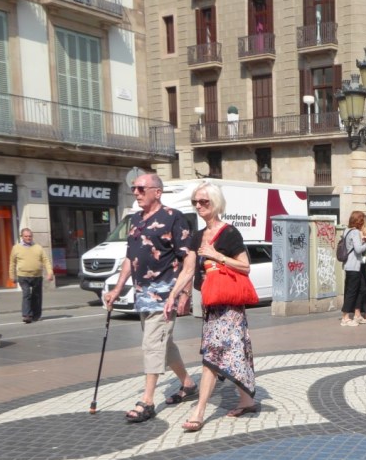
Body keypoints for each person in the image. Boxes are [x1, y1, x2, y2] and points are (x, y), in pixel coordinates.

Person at [104, 172, 198, 423]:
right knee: (164, 344)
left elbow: (188, 258)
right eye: (134, 188)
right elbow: (129, 257)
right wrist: (117, 288)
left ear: (157, 191)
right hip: (141, 294)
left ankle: (147, 400)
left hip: (165, 294)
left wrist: (183, 294)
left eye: (141, 188)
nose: (135, 192)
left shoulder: (173, 218)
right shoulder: (135, 219)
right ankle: (188, 385)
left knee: (151, 344)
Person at [164, 181, 258, 432]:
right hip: (211, 305)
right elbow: (188, 269)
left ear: (215, 203)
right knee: (233, 353)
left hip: (229, 307)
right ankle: (247, 399)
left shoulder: (229, 233)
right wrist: (174, 293)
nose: (198, 205)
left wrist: (217, 255)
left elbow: (245, 266)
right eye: (195, 201)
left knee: (212, 356)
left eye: (204, 201)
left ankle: (200, 411)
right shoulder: (197, 236)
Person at [9, 227, 54, 324]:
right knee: (26, 294)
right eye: (26, 236)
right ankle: (27, 315)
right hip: (23, 275)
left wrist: (50, 272)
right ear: (22, 237)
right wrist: (12, 276)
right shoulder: (16, 248)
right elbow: (12, 263)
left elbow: (45, 260)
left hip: (37, 275)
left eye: (30, 236)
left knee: (37, 296)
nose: (28, 238)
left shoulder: (38, 247)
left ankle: (36, 315)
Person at [339, 211, 366, 325]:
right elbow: (358, 249)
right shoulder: (356, 232)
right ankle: (345, 317)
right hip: (353, 266)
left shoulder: (347, 231)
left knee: (361, 289)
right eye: (363, 220)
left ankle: (357, 315)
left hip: (350, 265)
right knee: (351, 292)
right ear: (360, 221)